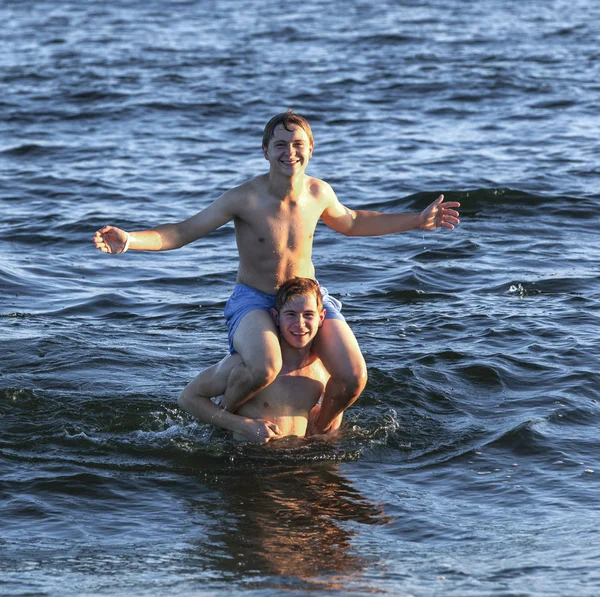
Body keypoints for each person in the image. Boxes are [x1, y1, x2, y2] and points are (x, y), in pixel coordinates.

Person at [93, 110, 460, 434]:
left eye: (298, 143)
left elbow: (352, 223)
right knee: (266, 366)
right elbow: (182, 231)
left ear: (311, 148)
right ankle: (226, 418)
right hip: (255, 299)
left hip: (307, 298)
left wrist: (415, 220)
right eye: (280, 144)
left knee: (354, 376)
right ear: (265, 150)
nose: (290, 152)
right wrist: (129, 240)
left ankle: (319, 428)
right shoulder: (244, 197)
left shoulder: (319, 192)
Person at [178, 277, 342, 443]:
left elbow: (334, 412)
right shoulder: (251, 366)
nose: (300, 324)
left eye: (308, 315)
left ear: (321, 318)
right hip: (249, 458)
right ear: (277, 318)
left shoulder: (323, 370)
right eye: (291, 314)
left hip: (298, 460)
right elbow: (188, 398)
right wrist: (243, 425)